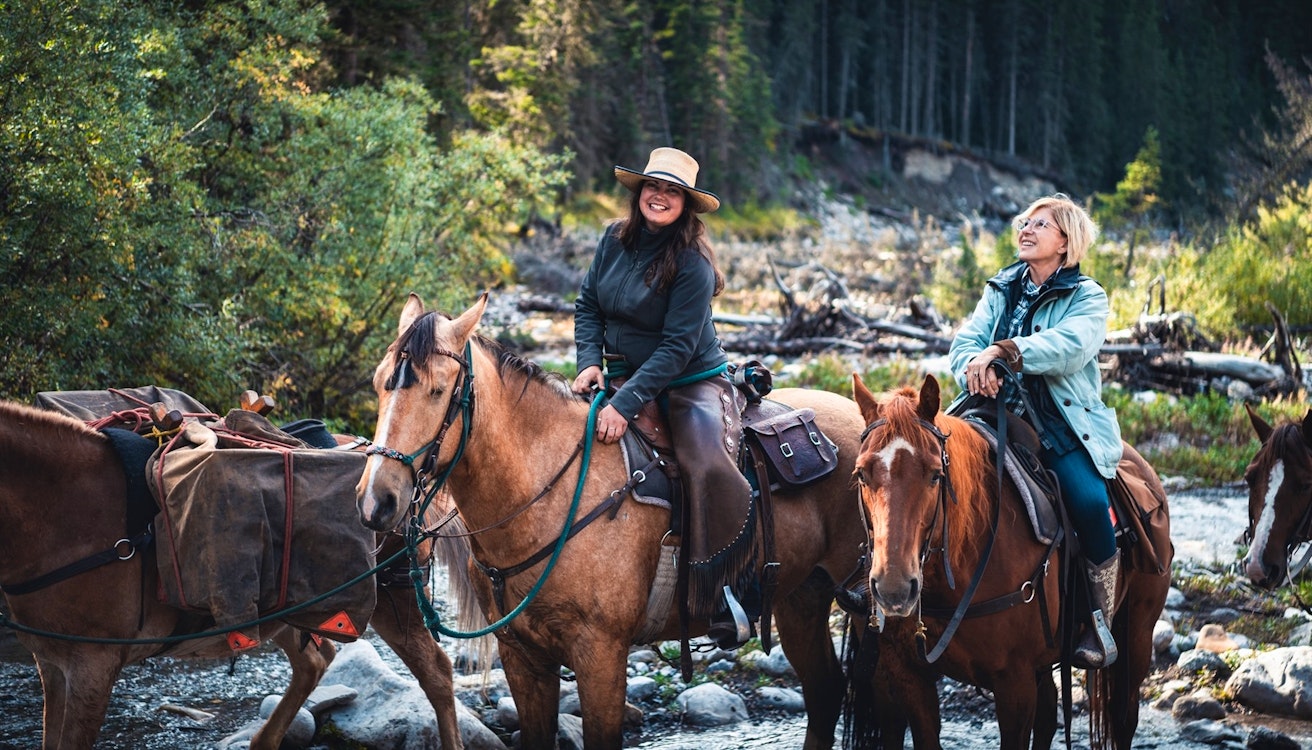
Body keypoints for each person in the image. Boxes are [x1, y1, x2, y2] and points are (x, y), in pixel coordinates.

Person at [571, 147, 756, 648]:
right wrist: (590, 361)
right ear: (640, 192)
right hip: (620, 372)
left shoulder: (692, 264)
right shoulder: (613, 239)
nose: (660, 196)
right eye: (654, 186)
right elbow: (588, 303)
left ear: (686, 205)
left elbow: (676, 349)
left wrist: (624, 404)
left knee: (705, 463)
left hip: (689, 379)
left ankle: (720, 590)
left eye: (672, 191)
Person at [947, 193, 1124, 669]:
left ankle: (1097, 620)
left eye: (1040, 224)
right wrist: (972, 366)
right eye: (1025, 221)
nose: (1025, 229)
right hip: (986, 407)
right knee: (917, 464)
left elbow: (1070, 346)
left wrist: (1004, 352)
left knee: (1089, 501)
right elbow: (966, 339)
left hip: (1056, 420)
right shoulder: (1001, 287)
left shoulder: (1087, 295)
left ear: (1066, 241)